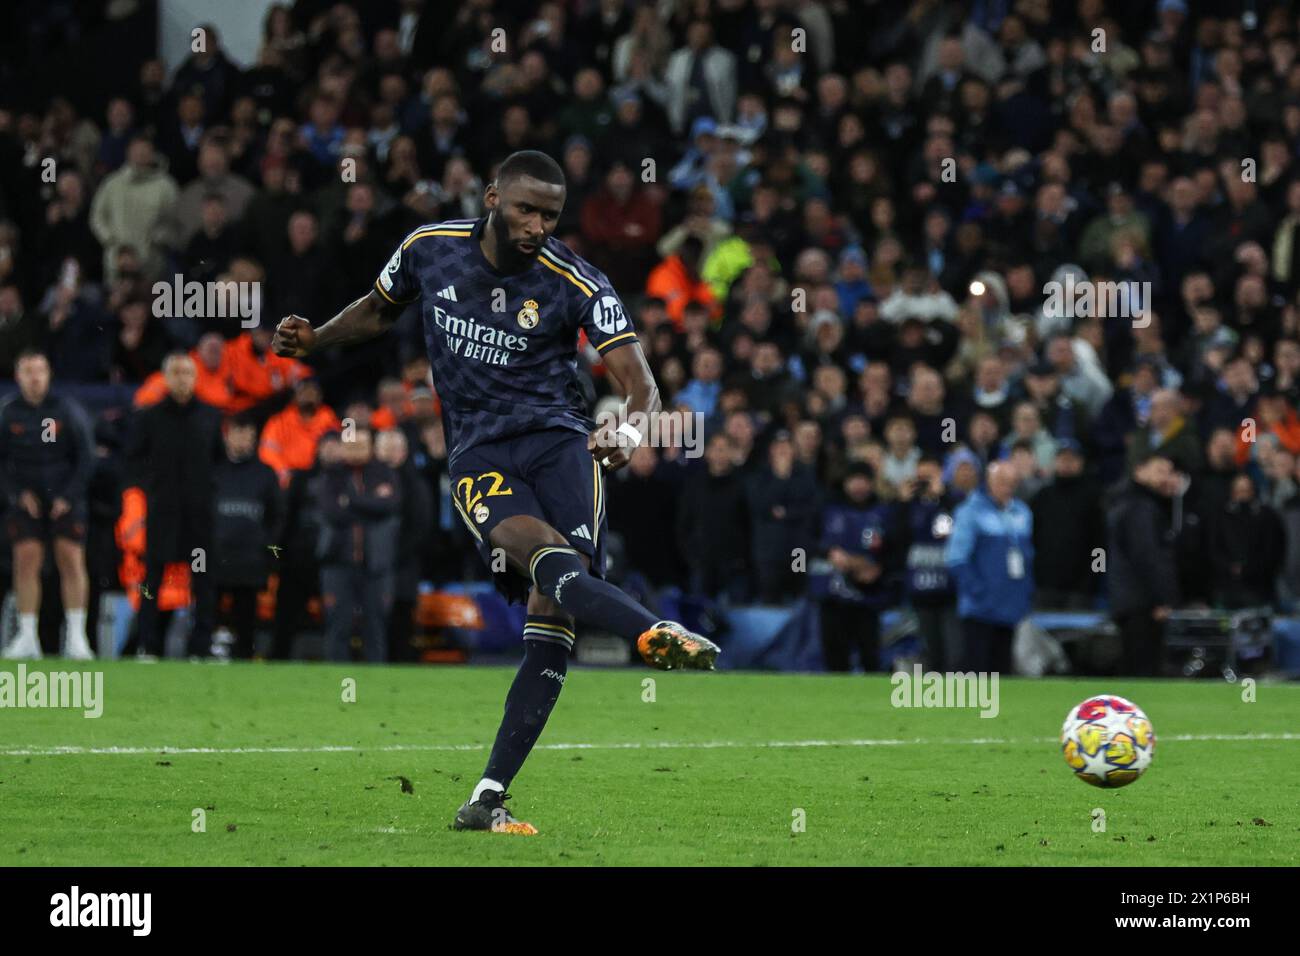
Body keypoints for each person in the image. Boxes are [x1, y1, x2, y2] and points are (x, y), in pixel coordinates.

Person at [272, 150, 719, 836]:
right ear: (490, 198)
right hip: (480, 452)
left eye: (550, 214)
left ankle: (486, 798)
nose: (538, 224)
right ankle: (652, 630)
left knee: (554, 608)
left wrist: (626, 435)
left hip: (561, 447)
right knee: (544, 558)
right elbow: (376, 309)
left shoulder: (576, 280)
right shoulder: (429, 250)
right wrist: (316, 339)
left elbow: (641, 384)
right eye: (526, 209)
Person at [125, 352, 223, 657]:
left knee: (204, 581)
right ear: (165, 378)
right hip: (162, 512)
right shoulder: (149, 417)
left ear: (195, 378)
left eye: (188, 373)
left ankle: (201, 647)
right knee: (152, 578)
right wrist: (151, 490)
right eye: (176, 372)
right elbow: (132, 460)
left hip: (199, 514)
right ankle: (147, 646)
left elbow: (219, 461)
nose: (182, 379)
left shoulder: (210, 416)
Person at [0, 351, 95, 659]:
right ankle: (27, 636)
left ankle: (77, 637)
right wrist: (16, 494)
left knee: (71, 560)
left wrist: (68, 496)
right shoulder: (8, 412)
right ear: (18, 376)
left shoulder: (67, 410)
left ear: (49, 373)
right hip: (26, 499)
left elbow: (87, 457)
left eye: (40, 370)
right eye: (28, 371)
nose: (35, 377)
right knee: (26, 561)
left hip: (65, 498)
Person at [316, 427, 401, 664]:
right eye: (350, 446)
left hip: (376, 564)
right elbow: (332, 513)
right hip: (337, 563)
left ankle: (377, 681)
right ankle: (336, 677)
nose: (355, 451)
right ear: (342, 447)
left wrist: (351, 501)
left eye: (360, 446)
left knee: (376, 625)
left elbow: (390, 505)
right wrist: (370, 505)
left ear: (371, 447)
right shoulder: (331, 474)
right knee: (337, 623)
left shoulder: (385, 472)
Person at [945, 461, 1034, 673]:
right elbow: (956, 558)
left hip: (1011, 602)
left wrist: (1025, 591)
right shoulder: (970, 512)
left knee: (1002, 666)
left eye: (1012, 483)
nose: (1008, 488)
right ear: (989, 482)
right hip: (980, 606)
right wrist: (977, 590)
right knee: (977, 666)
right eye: (1002, 482)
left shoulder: (1021, 512)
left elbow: (1028, 555)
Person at [212, 414, 283, 659]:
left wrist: (268, 550)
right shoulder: (214, 471)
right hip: (215, 557)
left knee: (246, 618)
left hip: (250, 559)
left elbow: (277, 517)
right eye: (238, 434)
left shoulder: (266, 474)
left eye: (248, 436)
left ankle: (244, 657)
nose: (243, 441)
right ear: (226, 436)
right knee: (210, 613)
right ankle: (205, 654)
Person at [817, 463, 898, 672]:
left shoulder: (884, 513)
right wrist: (829, 553)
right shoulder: (828, 509)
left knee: (870, 658)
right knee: (835, 659)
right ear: (845, 482)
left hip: (868, 597)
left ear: (871, 483)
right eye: (854, 480)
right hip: (833, 596)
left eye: (863, 480)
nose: (858, 486)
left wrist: (879, 569)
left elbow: (896, 550)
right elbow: (804, 543)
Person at [1107, 455, 1180, 676]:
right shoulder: (1141, 508)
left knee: (1135, 668)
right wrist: (1162, 598)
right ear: (1139, 471)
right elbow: (1148, 556)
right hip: (1142, 603)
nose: (1165, 478)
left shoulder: (1127, 502)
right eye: (1159, 470)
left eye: (1169, 471)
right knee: (1144, 670)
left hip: (1129, 599)